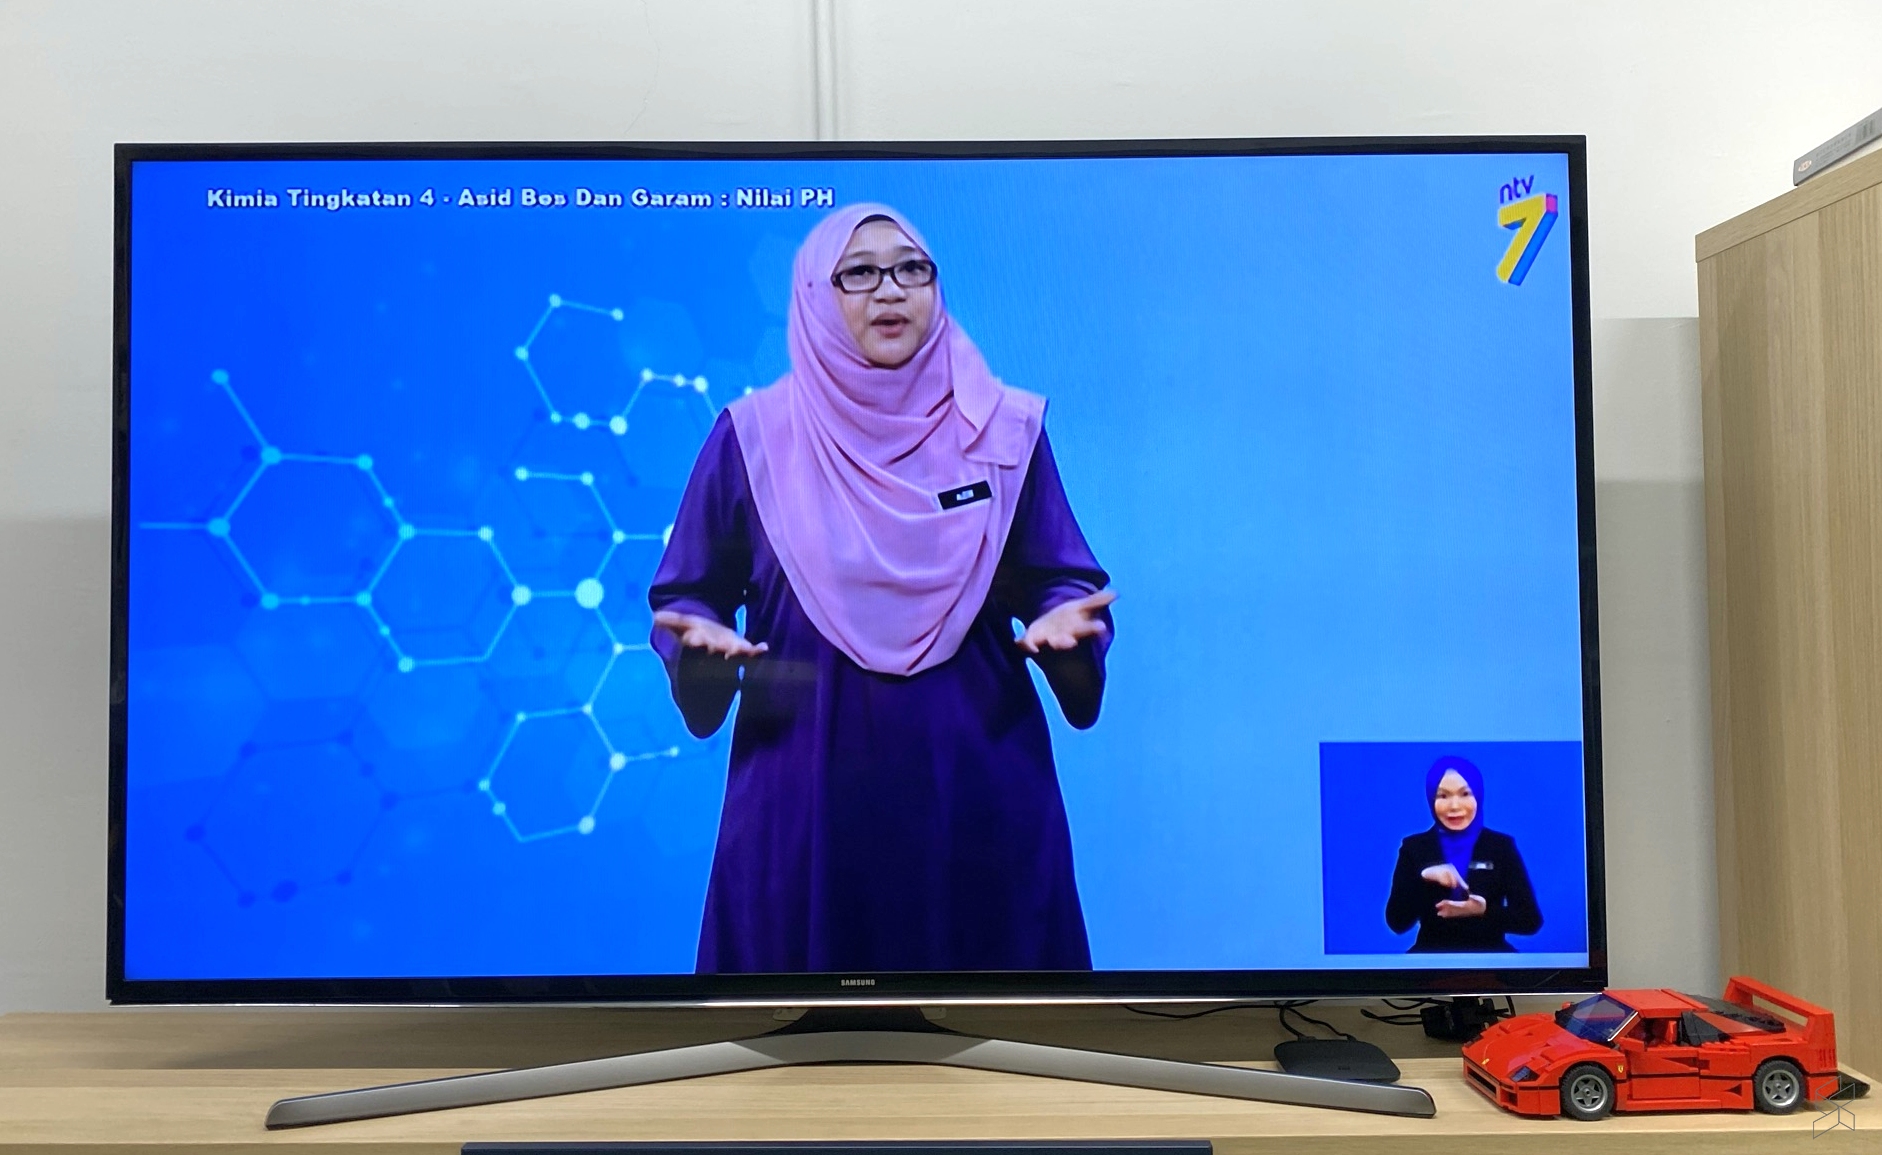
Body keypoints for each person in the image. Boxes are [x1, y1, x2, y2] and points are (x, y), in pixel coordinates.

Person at [647, 203, 1116, 974]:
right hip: (804, 801)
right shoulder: (754, 437)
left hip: (974, 793)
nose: (891, 290)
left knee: (996, 1043)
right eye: (859, 273)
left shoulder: (1004, 430)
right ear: (814, 294)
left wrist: (1066, 628)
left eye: (911, 269)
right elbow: (689, 594)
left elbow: (1061, 578)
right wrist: (699, 653)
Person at [1383, 756, 1541, 952]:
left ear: (1478, 796)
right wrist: (1424, 877)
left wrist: (1483, 911)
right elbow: (1397, 923)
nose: (1454, 806)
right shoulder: (1415, 848)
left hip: (1490, 960)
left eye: (1465, 793)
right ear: (1431, 799)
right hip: (1431, 959)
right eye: (1443, 796)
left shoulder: (1500, 846)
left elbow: (1530, 920)